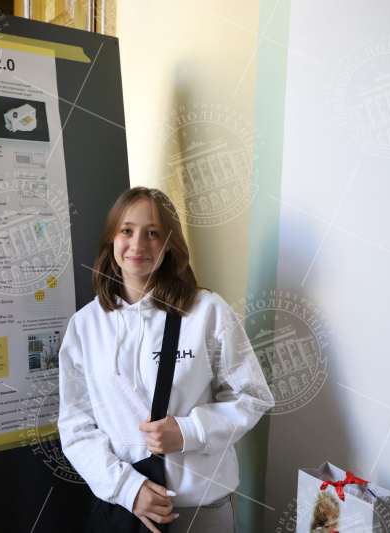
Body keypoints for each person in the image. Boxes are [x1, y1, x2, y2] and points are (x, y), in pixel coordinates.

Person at [58, 187, 274, 533]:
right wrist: (126, 489)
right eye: (127, 230)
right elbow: (75, 425)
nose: (138, 244)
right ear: (111, 240)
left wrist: (189, 432)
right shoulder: (84, 325)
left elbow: (252, 396)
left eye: (153, 233)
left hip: (200, 510)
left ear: (170, 244)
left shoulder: (207, 311)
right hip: (123, 509)